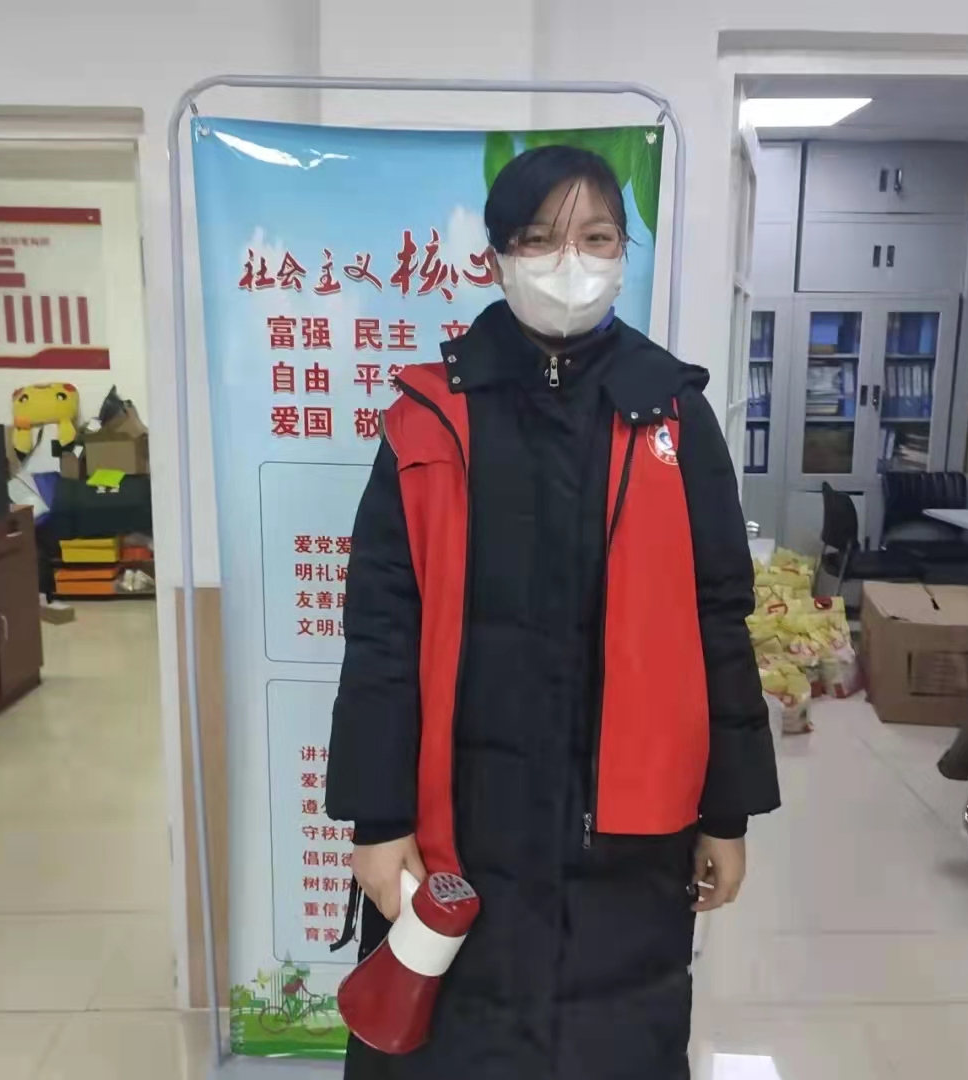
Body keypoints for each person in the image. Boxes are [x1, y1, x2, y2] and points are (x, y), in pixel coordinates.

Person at [326, 145, 781, 1080]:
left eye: (597, 238)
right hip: (463, 829)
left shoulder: (671, 413)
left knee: (615, 1046)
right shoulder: (431, 416)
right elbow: (381, 634)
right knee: (456, 1049)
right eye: (540, 239)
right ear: (497, 254)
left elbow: (718, 622)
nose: (571, 262)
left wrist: (727, 812)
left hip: (630, 837)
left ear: (623, 253)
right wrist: (376, 820)